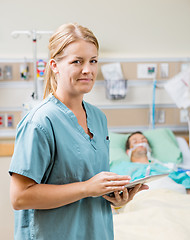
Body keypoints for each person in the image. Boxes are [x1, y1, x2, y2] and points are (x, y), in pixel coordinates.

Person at [9, 23, 148, 240]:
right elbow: (20, 198)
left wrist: (115, 197)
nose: (88, 70)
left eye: (93, 61)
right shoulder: (39, 122)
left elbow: (90, 185)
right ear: (54, 65)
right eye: (77, 62)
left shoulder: (99, 119)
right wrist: (86, 188)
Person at [124, 131, 190, 194]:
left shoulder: (163, 166)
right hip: (142, 195)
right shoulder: (122, 166)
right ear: (128, 151)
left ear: (149, 148)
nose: (140, 142)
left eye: (144, 140)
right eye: (135, 141)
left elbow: (184, 180)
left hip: (172, 192)